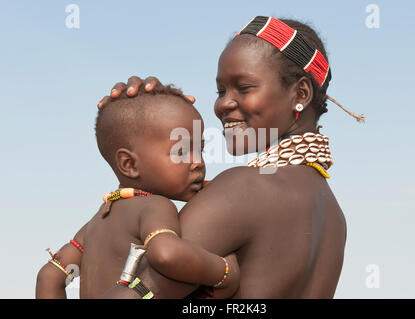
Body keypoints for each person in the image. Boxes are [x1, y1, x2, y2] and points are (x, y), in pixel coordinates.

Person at [100, 16, 364, 299]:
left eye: (244, 87)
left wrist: (130, 126)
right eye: (221, 90)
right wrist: (142, 116)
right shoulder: (333, 216)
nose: (223, 103)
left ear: (300, 92)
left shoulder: (246, 189)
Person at [35, 84, 239, 299]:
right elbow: (166, 254)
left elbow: (49, 275)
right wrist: (224, 273)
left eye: (200, 150)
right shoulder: (154, 206)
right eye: (182, 151)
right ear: (129, 164)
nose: (198, 162)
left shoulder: (96, 223)